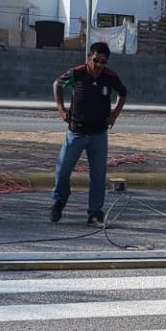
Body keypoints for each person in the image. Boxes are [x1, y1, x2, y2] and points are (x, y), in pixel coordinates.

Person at [51, 41, 127, 226]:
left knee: (98, 176)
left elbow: (123, 93)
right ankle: (60, 200)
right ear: (89, 58)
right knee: (62, 171)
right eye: (96, 60)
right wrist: (61, 109)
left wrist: (114, 114)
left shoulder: (110, 77)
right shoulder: (77, 73)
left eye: (104, 62)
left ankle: (95, 213)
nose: (100, 65)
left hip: (98, 135)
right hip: (76, 133)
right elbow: (57, 85)